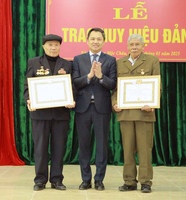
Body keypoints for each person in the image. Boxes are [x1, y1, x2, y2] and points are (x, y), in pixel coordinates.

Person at [24, 34, 75, 191]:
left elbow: (72, 85)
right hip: (40, 114)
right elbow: (27, 86)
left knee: (59, 148)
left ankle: (57, 179)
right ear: (43, 46)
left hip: (60, 114)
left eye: (56, 45)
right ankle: (40, 180)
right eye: (50, 45)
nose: (53, 47)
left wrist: (71, 99)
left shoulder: (67, 64)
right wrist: (29, 100)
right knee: (40, 148)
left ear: (60, 47)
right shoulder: (33, 62)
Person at [111, 34, 160, 193]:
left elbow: (157, 85)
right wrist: (115, 103)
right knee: (128, 149)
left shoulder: (152, 60)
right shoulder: (120, 63)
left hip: (144, 113)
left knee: (145, 150)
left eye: (137, 44)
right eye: (131, 44)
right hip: (125, 113)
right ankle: (129, 181)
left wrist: (152, 103)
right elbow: (116, 89)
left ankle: (146, 182)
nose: (134, 47)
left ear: (143, 46)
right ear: (127, 46)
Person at [72, 27, 117, 191]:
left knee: (102, 145)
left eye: (99, 39)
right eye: (93, 38)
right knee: (83, 145)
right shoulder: (78, 59)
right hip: (83, 108)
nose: (96, 41)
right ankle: (85, 179)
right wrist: (89, 76)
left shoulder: (110, 60)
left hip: (102, 109)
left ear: (103, 41)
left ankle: (99, 180)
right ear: (87, 40)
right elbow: (75, 82)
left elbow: (113, 84)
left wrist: (100, 77)